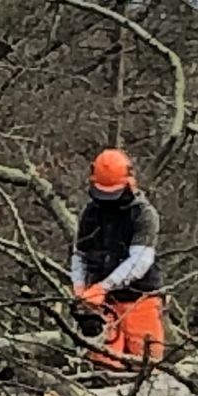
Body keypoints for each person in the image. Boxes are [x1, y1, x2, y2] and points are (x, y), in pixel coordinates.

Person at [68, 149, 165, 369]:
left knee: (146, 365)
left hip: (139, 299)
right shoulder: (91, 213)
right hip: (101, 304)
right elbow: (80, 254)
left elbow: (140, 260)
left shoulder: (143, 215)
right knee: (102, 364)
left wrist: (103, 287)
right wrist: (80, 288)